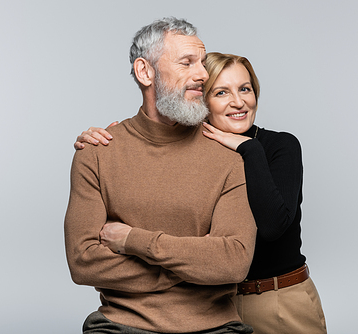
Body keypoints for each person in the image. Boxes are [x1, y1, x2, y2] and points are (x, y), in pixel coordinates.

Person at [76, 51, 327, 334]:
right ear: (199, 99)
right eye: (221, 92)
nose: (238, 101)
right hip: (215, 306)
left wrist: (249, 149)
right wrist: (117, 140)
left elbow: (272, 227)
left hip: (278, 300)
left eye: (245, 89)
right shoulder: (196, 153)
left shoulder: (279, 146)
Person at [65, 18, 257, 334]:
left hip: (216, 327)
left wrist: (134, 242)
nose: (203, 75)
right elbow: (83, 260)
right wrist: (190, 263)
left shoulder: (228, 156)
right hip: (121, 325)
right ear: (145, 72)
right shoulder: (97, 152)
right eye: (187, 63)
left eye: (202, 63)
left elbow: (234, 261)